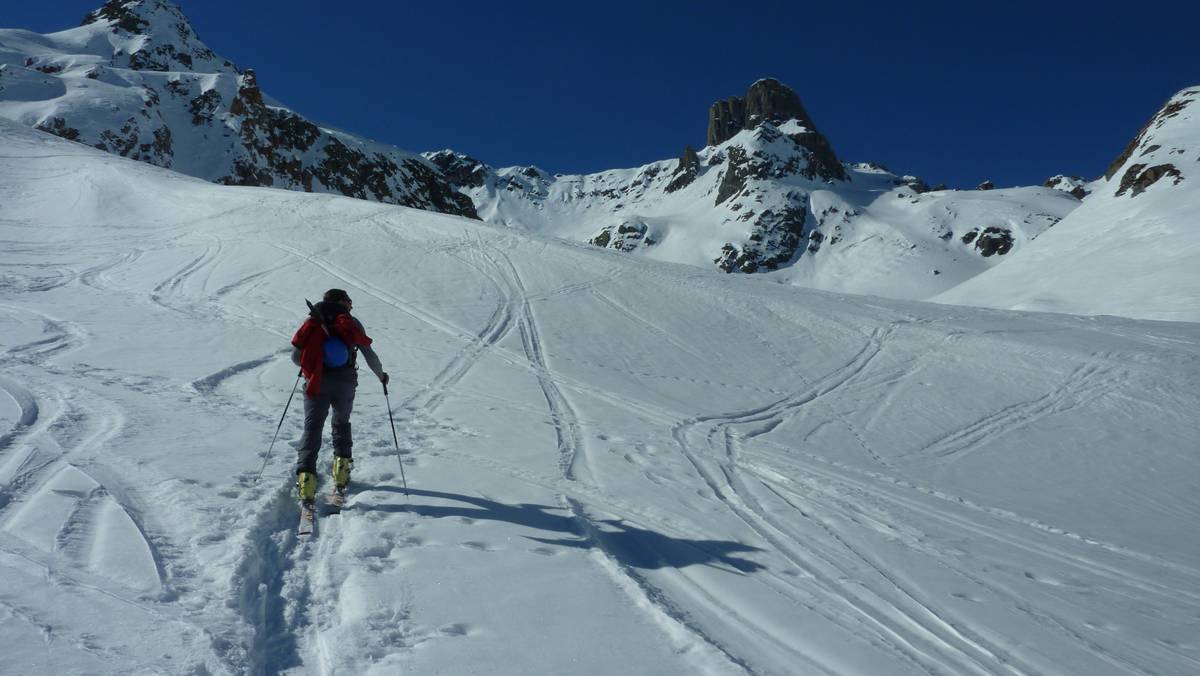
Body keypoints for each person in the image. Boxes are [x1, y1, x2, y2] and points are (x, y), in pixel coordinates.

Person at [290, 288, 388, 502]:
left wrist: (313, 362)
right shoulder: (350, 322)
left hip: (316, 382)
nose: (351, 305)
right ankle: (341, 472)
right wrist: (381, 376)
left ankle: (306, 480)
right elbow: (368, 353)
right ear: (343, 301)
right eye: (349, 301)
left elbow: (296, 357)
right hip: (345, 381)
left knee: (312, 427)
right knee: (341, 422)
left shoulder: (314, 321)